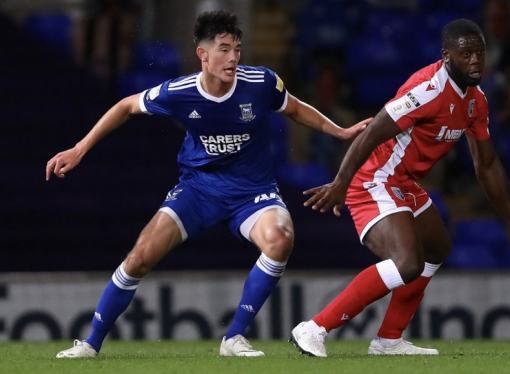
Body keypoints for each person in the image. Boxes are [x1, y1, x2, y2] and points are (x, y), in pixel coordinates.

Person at [47, 10, 369, 358]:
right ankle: (91, 343)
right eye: (224, 49)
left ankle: (233, 338)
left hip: (252, 191)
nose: (233, 58)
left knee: (280, 239)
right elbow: (125, 106)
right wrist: (80, 149)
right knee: (139, 257)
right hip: (199, 189)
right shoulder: (179, 92)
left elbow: (292, 108)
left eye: (237, 49)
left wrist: (338, 130)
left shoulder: (261, 83)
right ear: (203, 54)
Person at [289, 19, 510, 358]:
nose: (475, 61)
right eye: (466, 53)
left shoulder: (476, 101)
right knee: (408, 262)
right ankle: (315, 327)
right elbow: (371, 132)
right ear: (446, 56)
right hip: (374, 180)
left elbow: (486, 165)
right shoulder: (428, 90)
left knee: (438, 247)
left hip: (403, 182)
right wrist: (341, 182)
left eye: (480, 53)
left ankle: (388, 341)